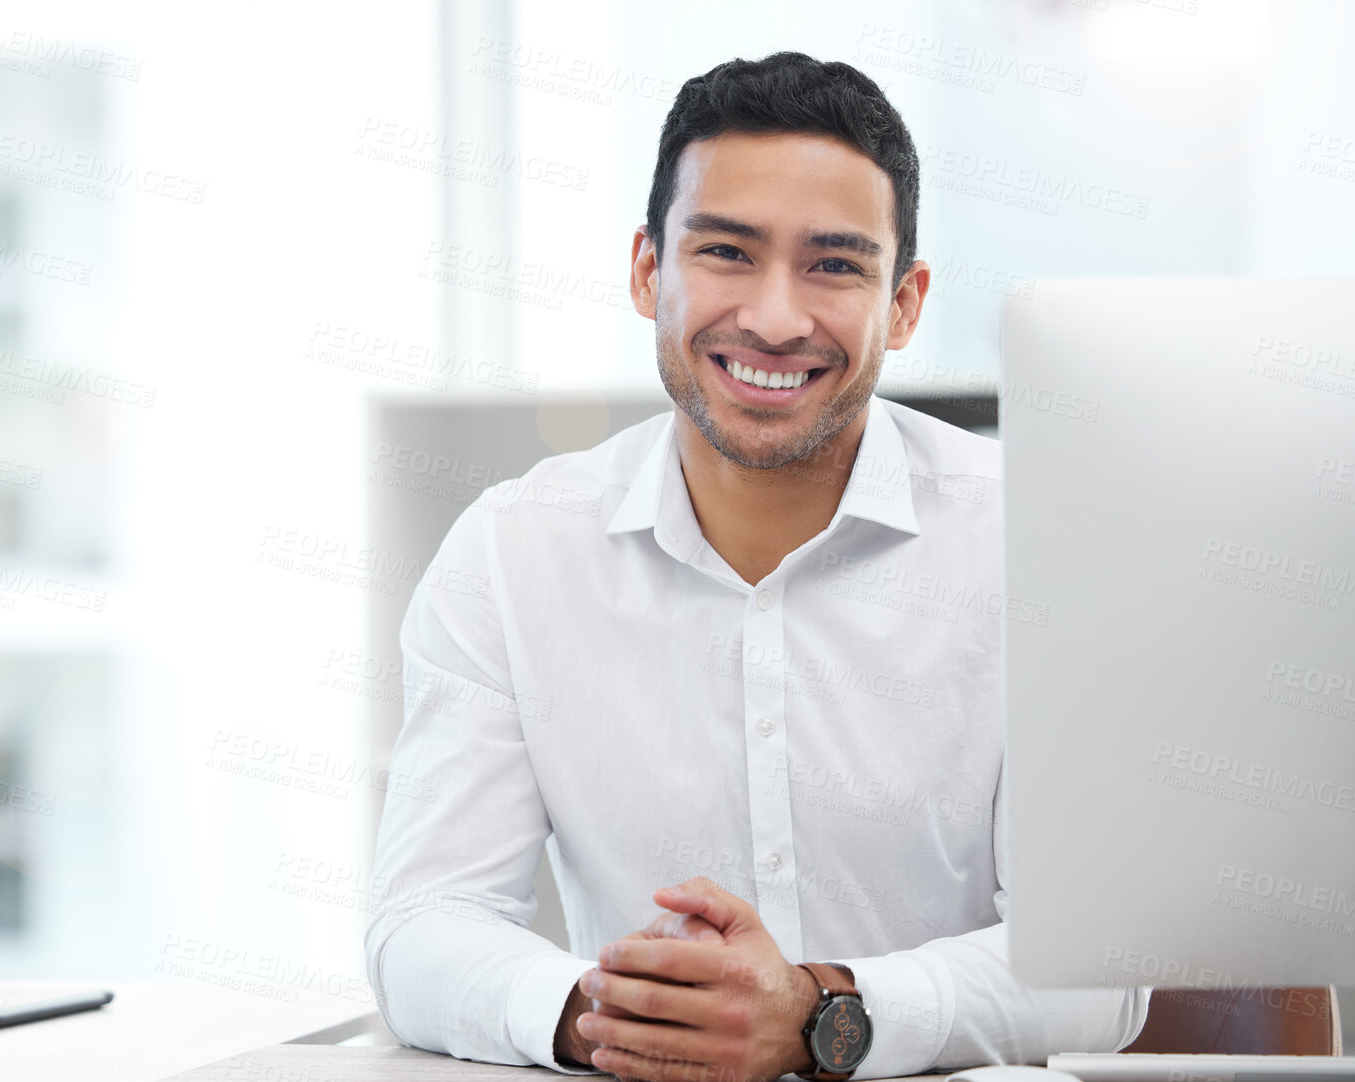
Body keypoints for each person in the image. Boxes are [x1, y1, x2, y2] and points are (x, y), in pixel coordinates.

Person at [363, 52, 1150, 1081]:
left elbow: (1097, 971)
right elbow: (424, 922)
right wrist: (610, 1013)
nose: (775, 318)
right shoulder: (511, 552)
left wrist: (823, 1014)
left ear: (902, 304)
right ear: (649, 271)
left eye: (832, 264)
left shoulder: (1039, 541)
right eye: (727, 252)